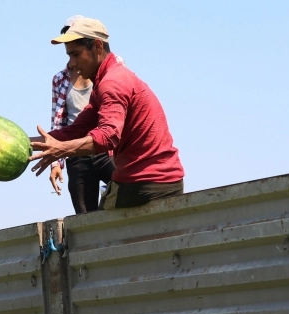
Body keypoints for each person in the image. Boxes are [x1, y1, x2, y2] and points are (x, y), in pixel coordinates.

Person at [30, 17, 185, 210]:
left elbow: (108, 136)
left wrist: (63, 150)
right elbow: (77, 129)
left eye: (76, 54)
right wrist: (24, 144)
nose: (71, 63)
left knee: (92, 229)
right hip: (165, 180)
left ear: (97, 46)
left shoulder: (111, 83)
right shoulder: (108, 79)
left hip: (145, 182)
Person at [45, 14, 116, 213]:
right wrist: (56, 163)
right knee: (85, 213)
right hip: (76, 152)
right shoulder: (60, 79)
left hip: (105, 148)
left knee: (123, 190)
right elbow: (59, 121)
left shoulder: (112, 70)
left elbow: (117, 116)